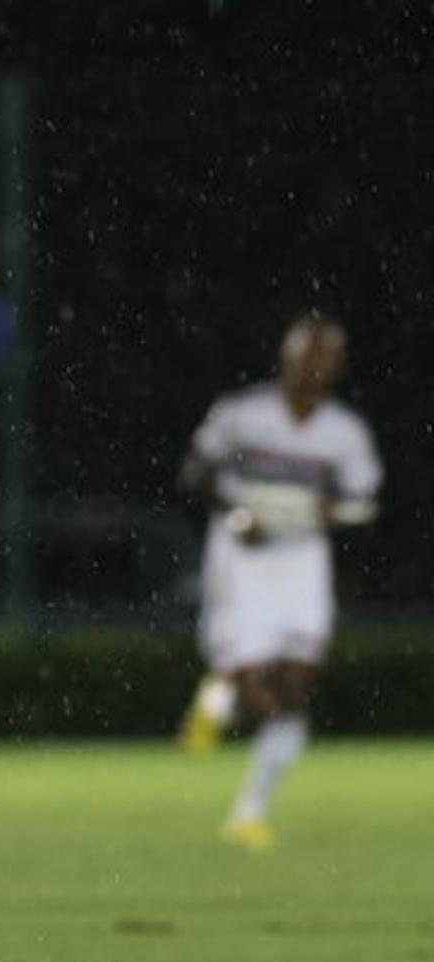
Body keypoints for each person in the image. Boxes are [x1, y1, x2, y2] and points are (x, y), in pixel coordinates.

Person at [178, 312, 380, 848]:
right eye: (305, 356)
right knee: (258, 686)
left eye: (325, 358)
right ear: (286, 359)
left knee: (294, 689)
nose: (313, 367)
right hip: (243, 555)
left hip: (302, 559)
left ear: (336, 367)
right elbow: (195, 471)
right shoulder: (242, 414)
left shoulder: (344, 432)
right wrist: (237, 513)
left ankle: (248, 811)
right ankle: (228, 694)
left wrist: (336, 512)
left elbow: (364, 499)